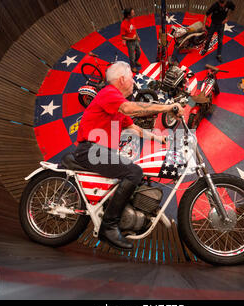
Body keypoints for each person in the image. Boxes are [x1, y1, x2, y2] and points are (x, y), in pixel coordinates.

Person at [74, 61, 184, 250]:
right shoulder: (109, 94)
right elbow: (129, 109)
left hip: (101, 151)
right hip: (91, 150)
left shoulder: (115, 104)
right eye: (132, 79)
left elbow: (133, 128)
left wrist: (160, 139)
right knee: (133, 172)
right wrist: (167, 108)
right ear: (122, 79)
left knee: (136, 175)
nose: (134, 83)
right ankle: (108, 227)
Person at [121, 8, 141, 73]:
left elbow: (134, 29)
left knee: (139, 52)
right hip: (130, 43)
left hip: (135, 40)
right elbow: (123, 37)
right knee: (132, 56)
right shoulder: (123, 25)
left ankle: (136, 61)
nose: (134, 14)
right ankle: (133, 67)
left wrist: (137, 37)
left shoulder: (132, 19)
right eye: (132, 13)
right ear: (128, 15)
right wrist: (131, 39)